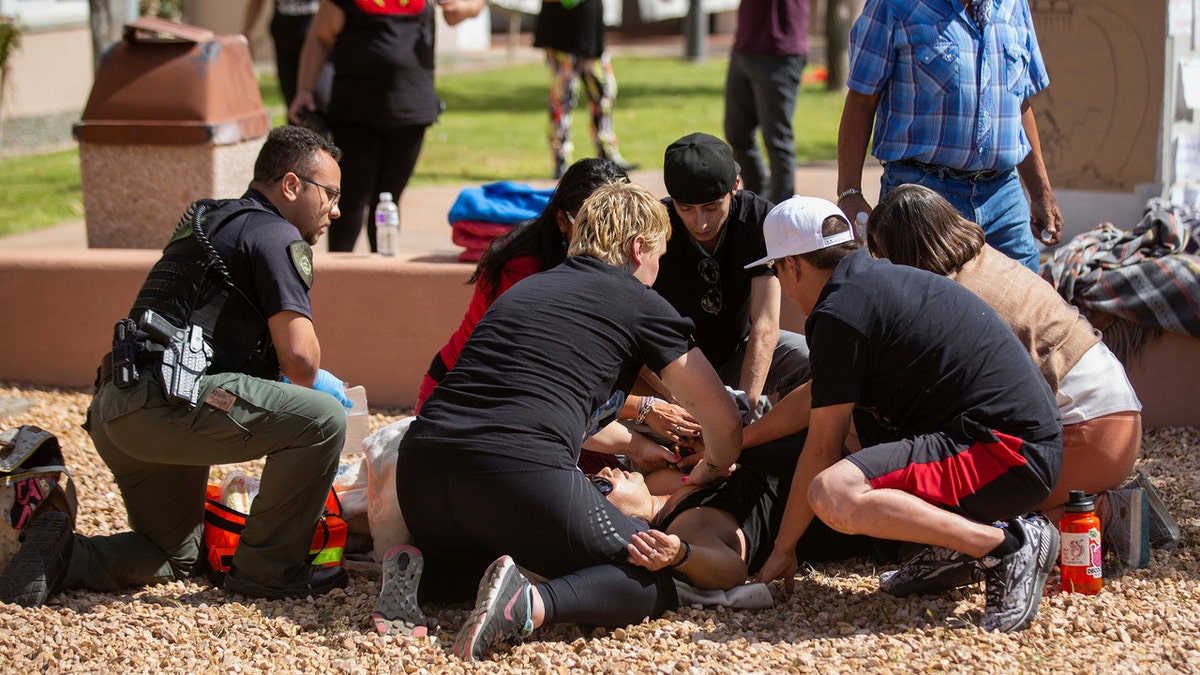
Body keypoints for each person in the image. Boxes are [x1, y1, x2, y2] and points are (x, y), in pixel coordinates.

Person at [374, 181, 744, 660]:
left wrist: (633, 445)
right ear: (638, 249)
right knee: (651, 572)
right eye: (660, 254)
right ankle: (530, 606)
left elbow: (543, 404)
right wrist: (713, 465)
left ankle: (425, 577)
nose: (658, 268)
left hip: (423, 472)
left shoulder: (529, 288)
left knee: (501, 561)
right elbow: (725, 422)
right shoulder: (638, 301)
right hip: (513, 471)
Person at [0, 126, 354, 607]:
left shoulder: (212, 219)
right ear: (291, 186)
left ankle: (62, 554)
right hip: (170, 404)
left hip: (115, 409)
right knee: (324, 418)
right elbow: (301, 361)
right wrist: (324, 382)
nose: (335, 209)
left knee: (171, 555)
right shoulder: (276, 233)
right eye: (329, 194)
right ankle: (268, 571)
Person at [749, 196, 1063, 633]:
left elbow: (821, 446)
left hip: (1006, 454)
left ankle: (1006, 545)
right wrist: (742, 440)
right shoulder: (868, 283)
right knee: (870, 440)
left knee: (834, 492)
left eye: (776, 270)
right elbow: (815, 396)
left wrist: (783, 548)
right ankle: (955, 547)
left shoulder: (839, 313)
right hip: (1016, 439)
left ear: (793, 266)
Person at [865, 184, 1142, 531]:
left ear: (907, 253)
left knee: (970, 522)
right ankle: (1101, 505)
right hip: (1114, 414)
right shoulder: (985, 259)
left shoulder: (952, 299)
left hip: (1091, 431)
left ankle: (1108, 512)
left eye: (885, 257)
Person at [416, 158, 670, 474]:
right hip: (465, 408)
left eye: (621, 222)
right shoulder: (523, 271)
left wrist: (675, 404)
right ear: (563, 221)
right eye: (593, 221)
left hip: (536, 407)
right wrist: (644, 410)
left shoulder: (618, 265)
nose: (609, 235)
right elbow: (541, 379)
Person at [835, 0, 1063, 273]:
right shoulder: (894, 6)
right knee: (922, 307)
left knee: (1025, 306)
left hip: (1003, 196)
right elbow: (861, 100)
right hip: (923, 194)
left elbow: (1020, 103)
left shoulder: (1014, 6)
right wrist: (849, 192)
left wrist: (1041, 192)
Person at [289, 0, 486, 252]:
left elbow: (470, 7)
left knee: (389, 200)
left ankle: (385, 277)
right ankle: (339, 278)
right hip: (355, 113)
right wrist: (305, 90)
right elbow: (319, 37)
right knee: (349, 201)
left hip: (411, 111)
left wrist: (460, 7)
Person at [653, 132, 810, 414]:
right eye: (685, 209)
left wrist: (743, 409)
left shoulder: (759, 218)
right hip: (677, 366)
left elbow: (765, 326)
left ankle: (782, 440)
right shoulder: (654, 227)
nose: (700, 223)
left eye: (712, 208)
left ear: (734, 186)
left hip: (740, 352)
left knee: (807, 358)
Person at [534, 0, 636, 179]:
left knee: (604, 91)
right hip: (561, 26)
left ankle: (607, 153)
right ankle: (560, 159)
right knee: (563, 95)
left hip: (589, 23)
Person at [723, 0, 810, 205]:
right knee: (737, 133)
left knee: (777, 139)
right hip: (745, 46)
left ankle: (782, 212)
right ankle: (759, 201)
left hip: (781, 51)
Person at [242, 0, 332, 111]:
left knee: (321, 99)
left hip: (318, 42)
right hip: (285, 40)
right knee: (292, 104)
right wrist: (247, 33)